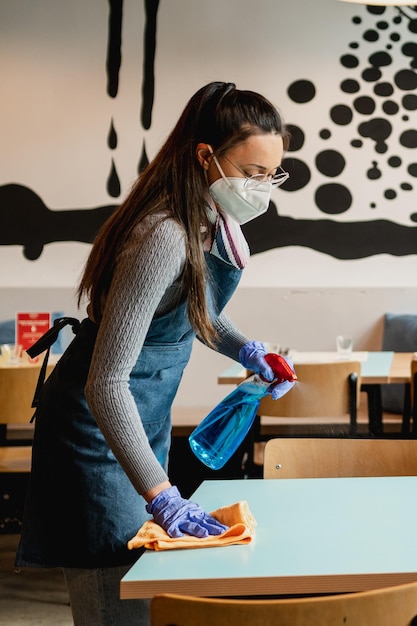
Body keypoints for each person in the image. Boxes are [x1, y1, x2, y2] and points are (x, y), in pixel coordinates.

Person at [15, 81, 295, 625]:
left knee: (142, 592)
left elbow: (198, 311)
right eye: (253, 174)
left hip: (139, 420)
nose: (262, 188)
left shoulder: (204, 220)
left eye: (272, 175)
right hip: (95, 428)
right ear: (205, 157)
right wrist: (162, 494)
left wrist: (247, 351)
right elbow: (105, 384)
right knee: (114, 606)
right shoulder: (164, 233)